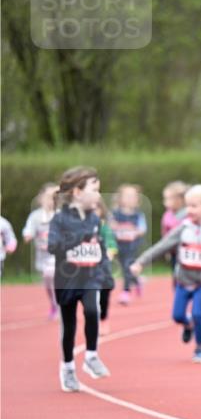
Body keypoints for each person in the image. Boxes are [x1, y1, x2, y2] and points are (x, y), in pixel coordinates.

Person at [132, 185, 201, 364]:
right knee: (178, 316)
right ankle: (187, 325)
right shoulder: (183, 229)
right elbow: (162, 246)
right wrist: (141, 262)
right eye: (187, 206)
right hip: (183, 280)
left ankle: (199, 349)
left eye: (194, 206)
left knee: (198, 314)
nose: (189, 210)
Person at [47, 167, 112, 392]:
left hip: (90, 277)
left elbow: (100, 248)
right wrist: (78, 239)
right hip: (67, 280)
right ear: (77, 192)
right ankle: (68, 368)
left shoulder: (94, 218)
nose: (99, 196)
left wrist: (106, 273)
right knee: (70, 326)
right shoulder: (59, 219)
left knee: (92, 311)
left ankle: (91, 356)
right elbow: (53, 247)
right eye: (95, 190)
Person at [22, 183, 59, 319]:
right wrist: (28, 235)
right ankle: (54, 304)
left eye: (56, 197)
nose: (52, 200)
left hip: (59, 256)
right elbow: (28, 229)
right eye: (49, 197)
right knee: (48, 281)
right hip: (42, 256)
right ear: (41, 198)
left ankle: (62, 304)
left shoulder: (61, 214)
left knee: (54, 275)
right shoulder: (36, 216)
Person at [111, 184, 147, 304]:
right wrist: (114, 228)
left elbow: (143, 229)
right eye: (127, 196)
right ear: (120, 198)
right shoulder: (115, 214)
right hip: (119, 245)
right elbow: (109, 227)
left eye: (133, 196)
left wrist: (135, 232)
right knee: (125, 267)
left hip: (132, 245)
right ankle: (137, 281)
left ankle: (125, 292)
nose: (130, 198)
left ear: (137, 199)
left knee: (127, 266)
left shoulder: (138, 215)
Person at [94, 199, 117, 336]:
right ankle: (93, 319)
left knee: (104, 295)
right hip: (87, 269)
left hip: (103, 268)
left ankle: (103, 318)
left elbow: (111, 242)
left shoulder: (104, 228)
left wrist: (110, 251)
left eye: (97, 208)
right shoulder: (81, 227)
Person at [161, 181, 189, 288]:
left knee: (187, 276)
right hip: (174, 252)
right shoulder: (167, 215)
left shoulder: (189, 214)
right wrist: (166, 249)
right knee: (175, 275)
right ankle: (178, 295)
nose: (165, 202)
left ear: (180, 199)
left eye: (168, 199)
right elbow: (165, 233)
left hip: (187, 251)